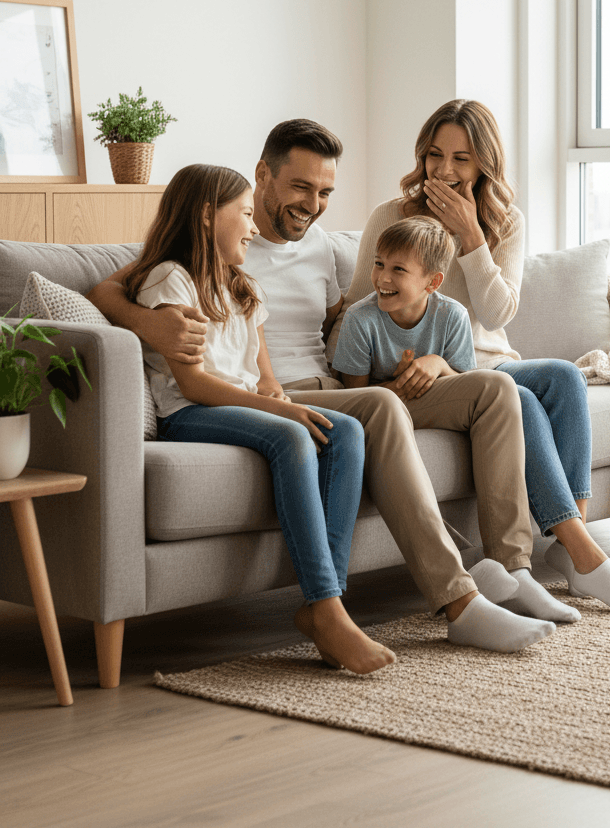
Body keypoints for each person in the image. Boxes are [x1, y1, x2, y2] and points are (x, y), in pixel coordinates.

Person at [88, 119, 556, 654]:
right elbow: (115, 285)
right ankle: (456, 597)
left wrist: (423, 352)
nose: (312, 205)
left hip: (325, 383)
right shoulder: (215, 248)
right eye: (301, 188)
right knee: (377, 408)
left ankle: (510, 571)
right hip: (274, 394)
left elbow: (350, 315)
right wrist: (147, 324)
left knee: (491, 390)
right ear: (263, 176)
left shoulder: (309, 246)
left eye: (325, 192)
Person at [344, 99, 610, 614]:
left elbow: (496, 314)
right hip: (439, 372)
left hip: (488, 359)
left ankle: (568, 543)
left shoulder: (503, 222)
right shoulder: (392, 217)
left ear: (484, 164)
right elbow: (366, 302)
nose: (444, 171)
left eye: (462, 159)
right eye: (435, 155)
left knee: (563, 377)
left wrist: (472, 235)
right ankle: (586, 557)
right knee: (522, 401)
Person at [123, 163, 393, 674]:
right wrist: (281, 409)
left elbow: (264, 375)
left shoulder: (243, 286)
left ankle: (323, 608)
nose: (252, 226)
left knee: (347, 431)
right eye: (244, 214)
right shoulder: (169, 279)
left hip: (241, 405)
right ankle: (328, 607)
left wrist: (277, 396)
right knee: (293, 435)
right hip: (191, 414)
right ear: (206, 216)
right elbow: (195, 385)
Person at [336, 215, 579, 624]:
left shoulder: (451, 315)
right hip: (382, 406)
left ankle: (514, 568)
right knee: (488, 389)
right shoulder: (362, 321)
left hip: (432, 400)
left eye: (398, 269)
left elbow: (468, 384)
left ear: (432, 282)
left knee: (500, 388)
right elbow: (353, 395)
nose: (382, 277)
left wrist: (436, 364)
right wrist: (395, 388)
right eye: (379, 264)